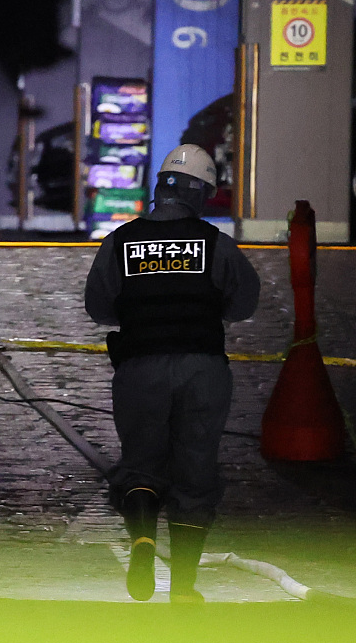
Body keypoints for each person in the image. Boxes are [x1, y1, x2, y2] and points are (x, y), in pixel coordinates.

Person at [85, 143, 259, 603]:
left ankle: (142, 541)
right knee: (195, 473)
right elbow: (244, 304)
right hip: (202, 371)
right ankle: (183, 586)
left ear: (160, 188)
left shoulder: (121, 241)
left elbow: (98, 307)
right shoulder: (215, 244)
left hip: (140, 369)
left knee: (141, 463)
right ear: (201, 194)